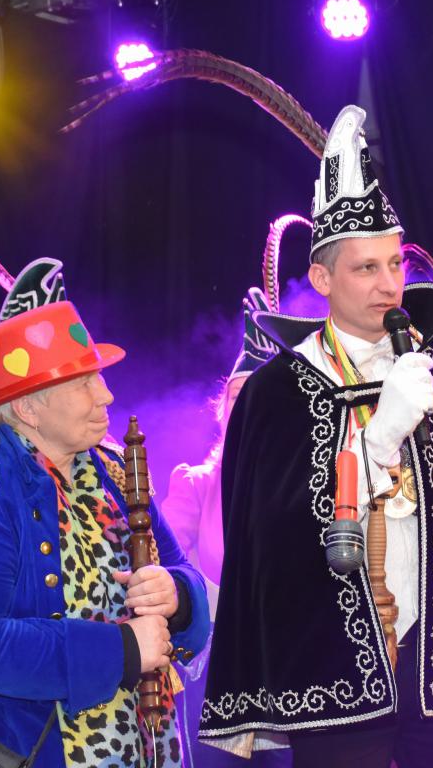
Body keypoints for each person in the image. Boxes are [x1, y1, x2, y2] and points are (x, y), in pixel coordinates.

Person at [199, 105, 433, 767]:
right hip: (330, 670)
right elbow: (271, 543)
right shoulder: (274, 394)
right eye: (366, 268)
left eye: (394, 263)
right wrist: (379, 438)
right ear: (322, 279)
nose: (390, 284)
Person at [0, 260, 209, 768]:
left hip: (146, 747)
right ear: (29, 408)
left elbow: (184, 572)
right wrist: (119, 650)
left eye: (99, 377)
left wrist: (176, 595)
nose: (106, 394)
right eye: (83, 383)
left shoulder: (115, 475)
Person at [162, 287, 289, 768]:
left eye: (260, 395)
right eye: (238, 395)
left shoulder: (310, 484)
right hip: (222, 670)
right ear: (222, 407)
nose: (248, 406)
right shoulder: (195, 483)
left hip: (293, 665)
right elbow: (164, 560)